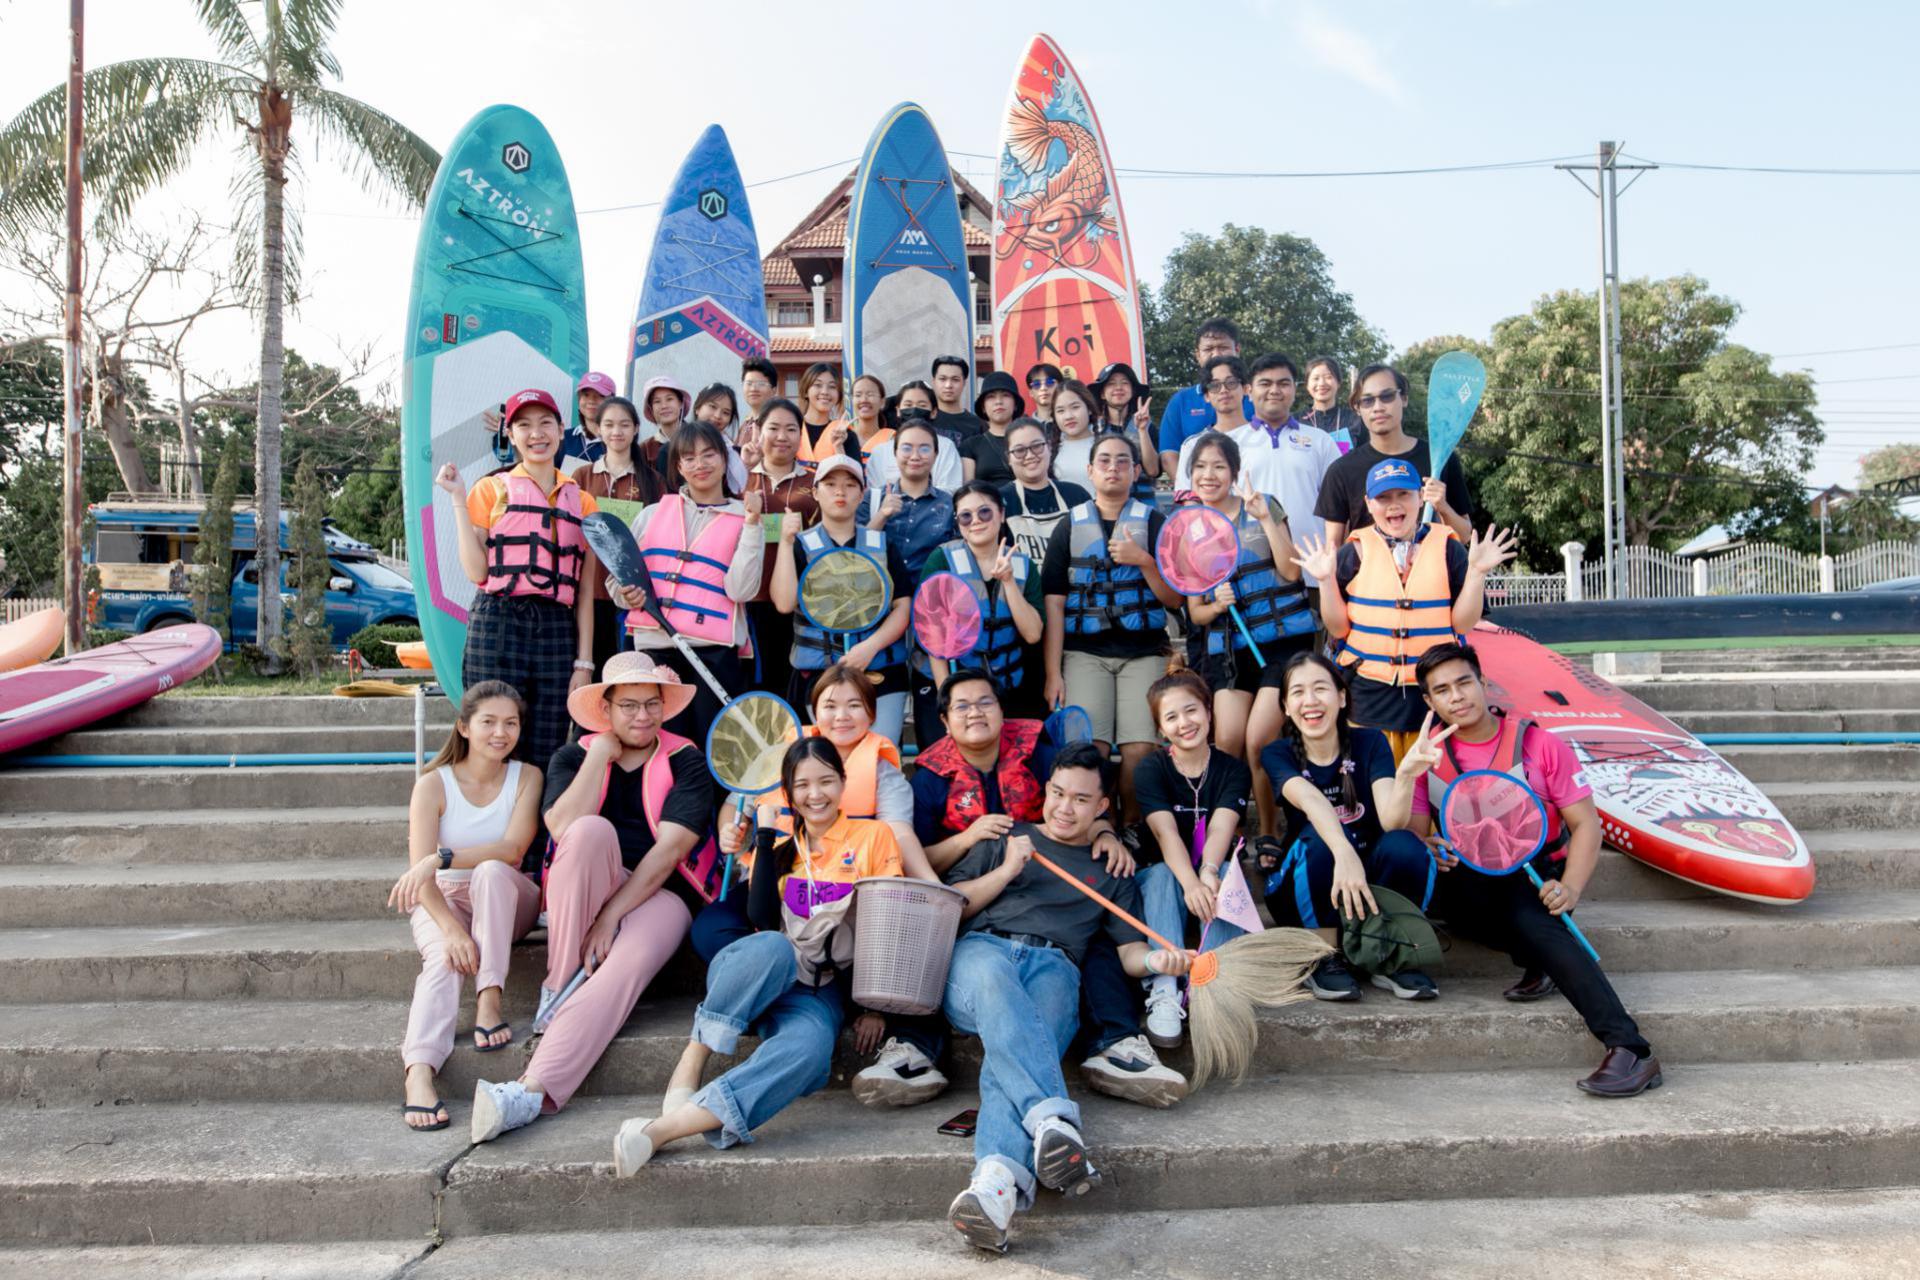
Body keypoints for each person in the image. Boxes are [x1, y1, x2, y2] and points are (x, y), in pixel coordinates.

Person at [941, 741, 1193, 1254]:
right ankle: (1052, 1120)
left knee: (1013, 1047)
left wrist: (1158, 963)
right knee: (994, 984)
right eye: (1057, 793)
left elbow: (1128, 955)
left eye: (1081, 800)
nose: (1064, 807)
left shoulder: (1110, 869)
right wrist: (1009, 868)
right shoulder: (1007, 836)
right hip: (982, 952)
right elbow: (956, 907)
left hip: (1055, 964)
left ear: (1103, 807)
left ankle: (994, 1188)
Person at [613, 736, 906, 1172]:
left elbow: (887, 924)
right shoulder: (780, 844)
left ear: (843, 783)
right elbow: (762, 918)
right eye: (802, 785)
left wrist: (876, 1006)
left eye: (826, 781)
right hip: (765, 973)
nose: (815, 794)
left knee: (810, 1052)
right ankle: (692, 1059)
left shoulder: (874, 836)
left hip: (817, 990)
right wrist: (766, 838)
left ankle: (662, 1130)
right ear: (788, 793)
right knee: (771, 945)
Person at [469, 655, 717, 1143]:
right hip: (588, 881)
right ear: (605, 708)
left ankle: (530, 1092)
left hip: (659, 893)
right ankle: (559, 984)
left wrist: (610, 917)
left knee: (623, 968)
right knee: (589, 831)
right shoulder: (573, 756)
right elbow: (561, 830)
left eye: (651, 704)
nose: (642, 716)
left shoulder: (685, 757)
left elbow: (669, 852)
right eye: (628, 706)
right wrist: (600, 754)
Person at [911, 671, 1186, 1108]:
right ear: (944, 720)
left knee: (1088, 947)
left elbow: (1079, 787)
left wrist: (1105, 833)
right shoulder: (930, 778)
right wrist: (976, 844)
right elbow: (929, 875)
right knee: (992, 980)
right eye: (962, 706)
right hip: (987, 910)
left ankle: (1103, 1056)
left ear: (1003, 711)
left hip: (1060, 936)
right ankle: (1052, 1117)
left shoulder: (1037, 752)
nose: (975, 712)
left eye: (985, 702)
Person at [1407, 643, 1665, 1097]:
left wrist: (1570, 889)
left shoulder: (1538, 743)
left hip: (1531, 870)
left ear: (1484, 684)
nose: (1457, 697)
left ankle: (1631, 1050)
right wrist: (1430, 841)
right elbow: (1414, 834)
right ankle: (1535, 958)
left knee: (1533, 920)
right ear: (1429, 703)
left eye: (1464, 682)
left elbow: (1586, 825)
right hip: (1466, 877)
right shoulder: (1425, 757)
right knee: (1427, 878)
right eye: (1442, 690)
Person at [701, 663, 947, 1108]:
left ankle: (857, 1007)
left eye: (855, 705)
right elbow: (746, 806)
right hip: (783, 878)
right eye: (831, 705)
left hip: (851, 892)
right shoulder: (790, 749)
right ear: (813, 709)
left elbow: (899, 834)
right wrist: (731, 833)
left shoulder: (882, 777)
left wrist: (933, 889)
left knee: (884, 946)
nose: (842, 715)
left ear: (873, 715)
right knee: (712, 931)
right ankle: (766, 986)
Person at [393, 681, 544, 1131]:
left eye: (511, 723)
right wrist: (453, 931)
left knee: (493, 871)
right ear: (464, 727)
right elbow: (422, 883)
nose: (501, 733)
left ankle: (489, 1000)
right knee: (442, 958)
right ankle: (419, 1074)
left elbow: (513, 848)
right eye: (489, 722)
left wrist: (441, 858)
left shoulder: (527, 777)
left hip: (506, 897)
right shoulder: (431, 784)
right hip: (442, 900)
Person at [1294, 458, 1515, 761]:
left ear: (1420, 497)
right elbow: (1338, 629)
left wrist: (1477, 574)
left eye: (1403, 495)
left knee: (1428, 784)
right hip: (1369, 689)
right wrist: (1325, 580)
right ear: (1369, 504)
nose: (1394, 506)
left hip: (1431, 689)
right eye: (1383, 498)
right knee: (1374, 782)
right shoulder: (1353, 551)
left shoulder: (1448, 548)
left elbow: (1462, 625)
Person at [1256, 652, 1440, 1002]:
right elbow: (1311, 800)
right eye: (1297, 692)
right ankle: (1324, 956)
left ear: (1341, 697)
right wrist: (1345, 852)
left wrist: (1405, 776)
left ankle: (1393, 954)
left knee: (1405, 844)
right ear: (1285, 706)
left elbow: (1391, 819)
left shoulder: (1370, 742)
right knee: (1321, 842)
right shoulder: (1278, 753)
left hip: (1366, 887)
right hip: (1306, 884)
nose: (1310, 701)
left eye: (1320, 688)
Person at [435, 388, 598, 773]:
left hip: (557, 625)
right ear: (510, 435)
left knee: (548, 740)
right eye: (524, 425)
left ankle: (536, 831)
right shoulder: (490, 489)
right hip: (498, 619)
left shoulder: (584, 501)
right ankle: (484, 827)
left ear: (561, 430)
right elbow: (477, 572)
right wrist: (458, 499)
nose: (536, 434)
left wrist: (585, 663)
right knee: (491, 734)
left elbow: (586, 591)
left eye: (545, 423)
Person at [1177, 430, 1314, 836]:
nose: (1209, 475)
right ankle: (1229, 834)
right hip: (1230, 653)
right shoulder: (1188, 531)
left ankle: (1270, 832)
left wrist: (1264, 518)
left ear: (1234, 472)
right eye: (1200, 467)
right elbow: (1196, 614)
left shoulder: (1262, 505)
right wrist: (1217, 604)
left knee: (1258, 741)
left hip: (1280, 647)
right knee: (1228, 743)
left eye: (1219, 466)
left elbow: (1292, 572)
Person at [1042, 433, 1184, 821]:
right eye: (1104, 460)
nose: (1113, 468)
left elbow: (1174, 600)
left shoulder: (1154, 522)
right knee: (1091, 751)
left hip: (1144, 653)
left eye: (1123, 461)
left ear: (1136, 470)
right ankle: (1096, 832)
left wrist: (1144, 560)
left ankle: (1133, 829)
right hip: (1084, 654)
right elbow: (1054, 603)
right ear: (1089, 470)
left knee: (1140, 751)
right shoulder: (1068, 527)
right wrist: (1053, 672)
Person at [1130, 661, 1254, 1049]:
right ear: (1160, 728)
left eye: (1191, 710)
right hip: (1165, 880)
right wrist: (1189, 882)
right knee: (1163, 875)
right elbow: (1165, 833)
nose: (1184, 722)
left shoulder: (1232, 769)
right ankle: (1165, 986)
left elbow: (1222, 826)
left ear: (1209, 712)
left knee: (1231, 872)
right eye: (1171, 717)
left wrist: (1210, 872)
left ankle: (1210, 983)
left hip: (1206, 872)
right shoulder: (1151, 768)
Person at [615, 420, 765, 738]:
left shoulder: (745, 518)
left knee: (709, 745)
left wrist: (752, 525)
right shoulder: (650, 515)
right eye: (690, 457)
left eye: (709, 454)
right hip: (654, 650)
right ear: (679, 466)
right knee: (656, 744)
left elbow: (741, 590)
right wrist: (627, 593)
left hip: (715, 652)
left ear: (725, 460)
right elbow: (616, 584)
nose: (701, 465)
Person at [773, 455, 913, 743]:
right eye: (831, 484)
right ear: (815, 492)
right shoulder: (800, 545)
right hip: (822, 675)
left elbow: (903, 605)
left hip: (881, 672)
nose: (840, 492)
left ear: (861, 494)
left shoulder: (882, 545)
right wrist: (786, 543)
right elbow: (785, 603)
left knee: (879, 757)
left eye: (850, 485)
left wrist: (870, 647)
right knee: (834, 760)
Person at [918, 482, 1044, 725]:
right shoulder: (941, 560)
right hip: (956, 684)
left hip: (1009, 685)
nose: (975, 520)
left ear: (1001, 513)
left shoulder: (1023, 565)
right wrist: (948, 698)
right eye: (965, 516)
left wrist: (1009, 582)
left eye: (984, 512)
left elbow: (1032, 634)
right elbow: (932, 637)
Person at [1314, 363, 1473, 544]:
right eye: (1367, 401)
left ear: (1404, 398)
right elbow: (1334, 548)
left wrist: (1443, 507)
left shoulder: (1439, 459)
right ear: (1358, 408)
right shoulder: (1341, 471)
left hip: (1433, 571)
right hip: (1368, 571)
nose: (1378, 407)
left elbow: (1465, 536)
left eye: (1387, 396)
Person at [1218, 354, 1340, 577]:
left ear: (1295, 389)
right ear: (1248, 390)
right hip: (1250, 572)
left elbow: (1338, 507)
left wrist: (1333, 561)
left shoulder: (1320, 440)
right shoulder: (1230, 444)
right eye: (1265, 383)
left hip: (1313, 571)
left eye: (1283, 383)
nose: (1274, 390)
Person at [573, 395, 664, 674]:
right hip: (589, 593)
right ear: (598, 428)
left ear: (636, 428)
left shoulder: (653, 481)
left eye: (624, 425)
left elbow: (659, 537)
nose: (616, 432)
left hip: (633, 596)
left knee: (628, 676)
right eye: (609, 424)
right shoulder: (581, 476)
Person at [742, 398, 817, 693]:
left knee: (792, 681)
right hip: (748, 597)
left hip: (799, 600)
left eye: (791, 429)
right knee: (753, 682)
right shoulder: (738, 477)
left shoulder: (816, 481)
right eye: (773, 428)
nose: (782, 437)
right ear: (758, 431)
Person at [1155, 319, 1252, 478]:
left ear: (1237, 350)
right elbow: (1169, 456)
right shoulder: (1181, 401)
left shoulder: (1254, 397)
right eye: (1209, 349)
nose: (1216, 354)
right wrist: (1192, 494)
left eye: (1223, 347)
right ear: (1198, 355)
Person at [639, 374, 749, 494]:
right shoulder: (668, 450)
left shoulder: (737, 454)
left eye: (726, 412)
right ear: (697, 408)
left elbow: (740, 494)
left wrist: (747, 465)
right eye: (712, 407)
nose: (717, 416)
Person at [1172, 354, 1252, 490]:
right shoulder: (1192, 445)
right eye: (1215, 386)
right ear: (1207, 396)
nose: (1223, 390)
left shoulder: (1264, 438)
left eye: (1231, 383)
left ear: (1245, 389)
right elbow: (1186, 497)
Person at [1089, 363, 1159, 496]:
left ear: (1133, 391)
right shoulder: (1092, 428)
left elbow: (1153, 471)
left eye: (1124, 383)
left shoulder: (1148, 426)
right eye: (1111, 383)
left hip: (1142, 501)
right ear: (1102, 394)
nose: (1118, 387)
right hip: (1104, 500)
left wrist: (1142, 430)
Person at [868, 396, 963, 492]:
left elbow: (951, 489)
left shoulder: (946, 445)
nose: (915, 457)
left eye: (924, 449)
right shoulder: (880, 451)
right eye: (908, 405)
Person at [795, 362, 864, 471]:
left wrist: (839, 449)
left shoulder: (846, 435)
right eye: (818, 385)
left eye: (832, 387)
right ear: (805, 392)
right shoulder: (791, 429)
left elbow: (856, 480)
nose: (825, 392)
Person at [961, 370, 1025, 486]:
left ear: (1015, 404)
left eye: (1005, 395)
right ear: (983, 407)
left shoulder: (1028, 441)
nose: (998, 402)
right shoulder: (970, 445)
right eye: (991, 397)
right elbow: (969, 490)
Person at [1048, 378, 1100, 498]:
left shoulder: (1106, 446)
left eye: (1075, 407)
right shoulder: (1048, 450)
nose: (1068, 416)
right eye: (1060, 411)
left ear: (1089, 409)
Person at [1299, 355, 1361, 454]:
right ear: (1307, 385)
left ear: (1339, 382)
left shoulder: (1354, 419)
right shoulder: (1296, 422)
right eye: (1316, 378)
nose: (1322, 383)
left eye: (1328, 377)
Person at [560, 370, 616, 467]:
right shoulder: (562, 438)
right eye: (586, 395)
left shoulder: (619, 440)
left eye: (600, 395)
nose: (591, 400)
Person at [929, 354, 985, 443]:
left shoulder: (977, 425)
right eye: (943, 379)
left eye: (955, 380)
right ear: (934, 381)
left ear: (964, 383)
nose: (948, 385)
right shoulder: (925, 418)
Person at [736, 356, 779, 466]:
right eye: (749, 383)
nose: (753, 389)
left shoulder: (778, 424)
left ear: (774, 390)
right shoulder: (745, 425)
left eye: (761, 384)